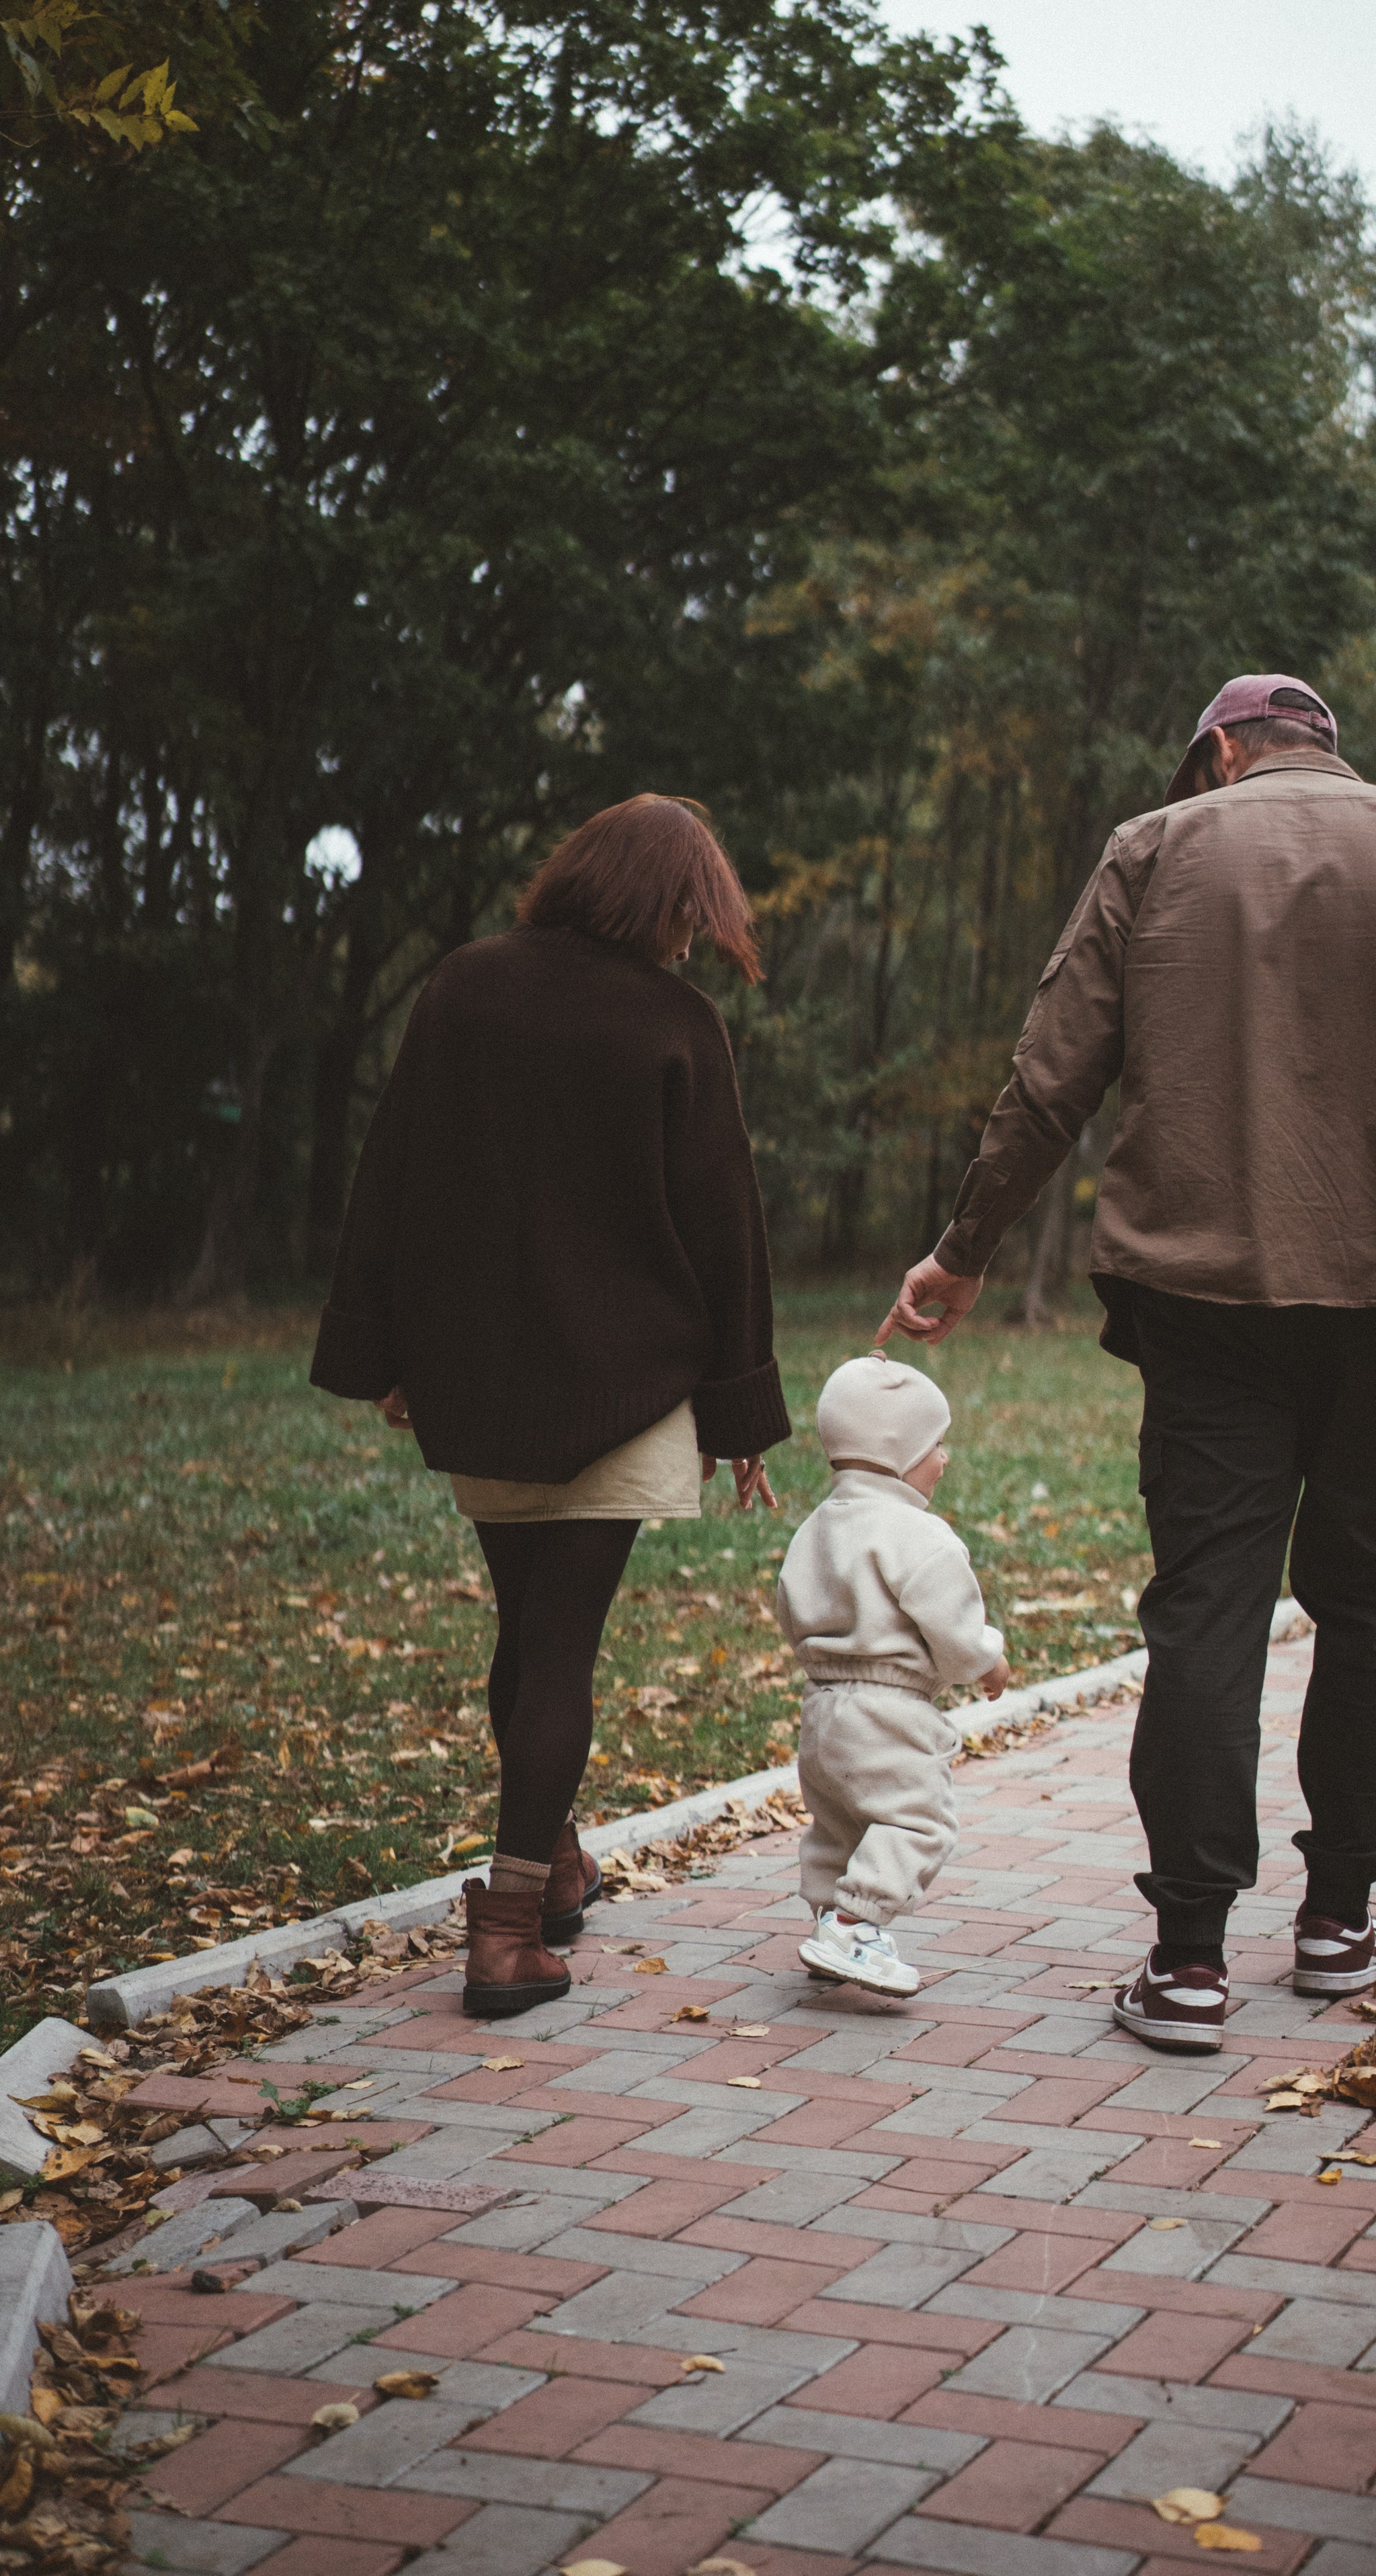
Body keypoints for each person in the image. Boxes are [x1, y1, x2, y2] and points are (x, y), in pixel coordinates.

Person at [879, 675, 1376, 2052]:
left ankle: (1187, 1957)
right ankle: (1334, 1921)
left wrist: (963, 1244)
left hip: (1202, 1301)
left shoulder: (1152, 847)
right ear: (1324, 745)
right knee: (1373, 1602)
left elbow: (1049, 1073)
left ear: (1217, 751)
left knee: (1205, 1604)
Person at [310, 794, 791, 2018]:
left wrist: (385, 1350)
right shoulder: (676, 1026)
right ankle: (511, 1925)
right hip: (625, 1387)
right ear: (659, 903)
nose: (694, 938)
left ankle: (557, 1860)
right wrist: (738, 1416)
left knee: (526, 1633)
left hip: (479, 1377)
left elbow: (392, 1174)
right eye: (692, 913)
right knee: (558, 1648)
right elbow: (724, 1230)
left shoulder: (462, 988)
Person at [776, 1352, 1010, 1997]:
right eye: (936, 1443)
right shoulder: (922, 1537)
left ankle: (830, 1916)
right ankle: (856, 1925)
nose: (945, 1457)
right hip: (891, 1707)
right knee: (917, 1823)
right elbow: (956, 1638)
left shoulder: (815, 1528)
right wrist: (989, 1658)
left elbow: (788, 1606)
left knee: (840, 1823)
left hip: (821, 1705)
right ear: (898, 1451)